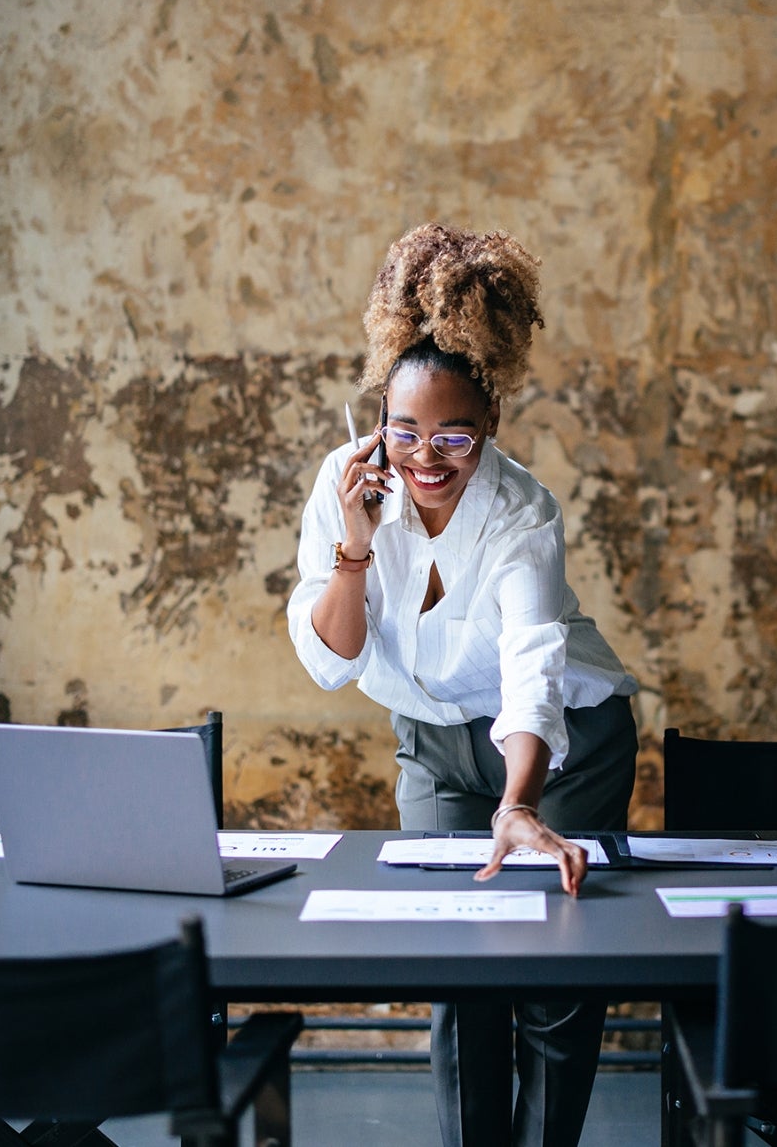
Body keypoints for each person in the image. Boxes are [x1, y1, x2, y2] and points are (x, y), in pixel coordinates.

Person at [287, 223, 640, 1147]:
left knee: (554, 981)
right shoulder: (346, 482)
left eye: (454, 435)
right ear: (381, 419)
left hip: (564, 745)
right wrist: (356, 546)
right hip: (437, 744)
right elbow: (332, 659)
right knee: (460, 965)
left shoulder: (522, 515)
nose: (426, 457)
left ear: (489, 427)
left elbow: (535, 663)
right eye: (405, 429)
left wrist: (521, 803)